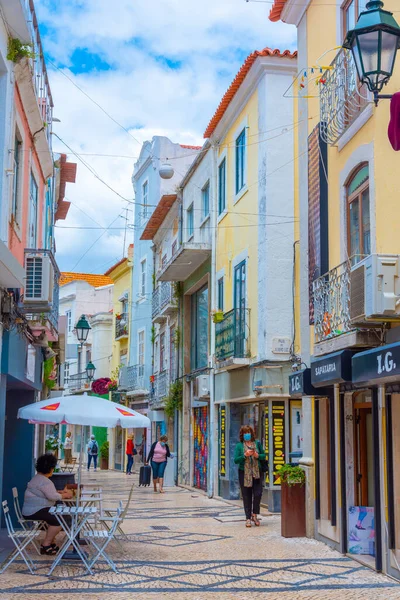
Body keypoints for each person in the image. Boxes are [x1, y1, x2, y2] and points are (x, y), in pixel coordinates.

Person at [22, 453, 73, 555]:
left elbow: (45, 493)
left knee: (56, 517)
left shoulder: (37, 478)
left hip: (30, 510)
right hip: (34, 511)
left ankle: (51, 542)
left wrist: (58, 493)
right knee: (57, 521)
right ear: (50, 468)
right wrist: (64, 496)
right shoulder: (45, 481)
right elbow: (52, 497)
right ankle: (46, 544)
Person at [234, 425, 266, 528]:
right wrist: (244, 455)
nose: (247, 435)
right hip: (244, 473)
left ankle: (254, 515)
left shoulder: (257, 443)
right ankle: (248, 518)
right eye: (245, 433)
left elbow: (264, 456)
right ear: (242, 435)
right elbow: (236, 460)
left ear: (251, 434)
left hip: (257, 472)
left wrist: (257, 455)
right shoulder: (239, 446)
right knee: (246, 495)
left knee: (258, 493)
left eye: (248, 432)